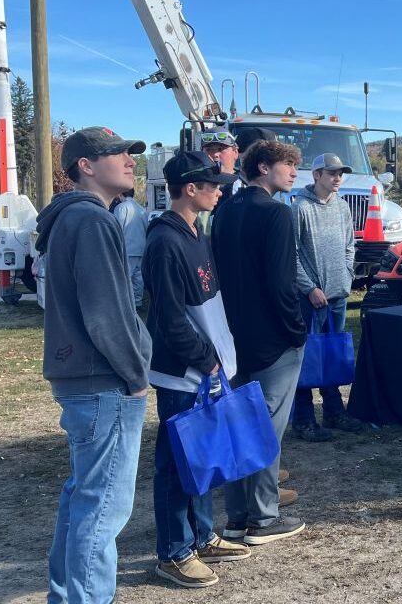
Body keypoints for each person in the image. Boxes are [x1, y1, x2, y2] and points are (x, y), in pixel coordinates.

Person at [35, 126, 152, 603]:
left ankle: (66, 597)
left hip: (82, 378)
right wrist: (136, 375)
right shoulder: (93, 221)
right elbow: (108, 312)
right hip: (103, 381)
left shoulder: (72, 219)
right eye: (117, 153)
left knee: (83, 498)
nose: (129, 160)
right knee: (102, 509)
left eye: (130, 152)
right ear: (85, 165)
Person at [143, 150, 251, 588]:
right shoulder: (165, 241)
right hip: (184, 372)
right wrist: (205, 359)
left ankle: (202, 535)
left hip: (207, 368)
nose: (220, 190)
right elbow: (169, 319)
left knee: (202, 457)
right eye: (214, 184)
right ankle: (173, 552)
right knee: (174, 464)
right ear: (191, 189)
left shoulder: (194, 231)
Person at [211, 139, 308, 545]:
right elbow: (281, 284)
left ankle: (236, 517)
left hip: (232, 337)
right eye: (288, 166)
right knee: (266, 427)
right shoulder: (277, 215)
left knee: (238, 424)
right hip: (272, 339)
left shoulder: (223, 211)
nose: (293, 174)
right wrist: (297, 330)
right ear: (264, 167)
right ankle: (264, 520)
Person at [289, 153, 362, 441]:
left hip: (338, 294)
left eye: (340, 173)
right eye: (331, 172)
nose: (337, 178)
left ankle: (334, 411)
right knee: (307, 357)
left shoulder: (343, 207)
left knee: (331, 355)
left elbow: (349, 245)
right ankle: (304, 419)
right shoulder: (299, 208)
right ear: (317, 174)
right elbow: (291, 254)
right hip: (310, 299)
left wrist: (346, 277)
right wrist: (309, 288)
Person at [111, 188, 147, 307]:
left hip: (127, 248)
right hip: (141, 247)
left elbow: (116, 229)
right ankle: (138, 301)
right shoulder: (141, 209)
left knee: (125, 277)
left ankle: (126, 304)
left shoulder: (121, 208)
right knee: (138, 277)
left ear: (121, 193)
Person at [201, 129, 242, 210]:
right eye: (209, 150)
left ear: (235, 152)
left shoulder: (245, 187)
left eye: (220, 149)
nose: (215, 154)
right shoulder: (196, 187)